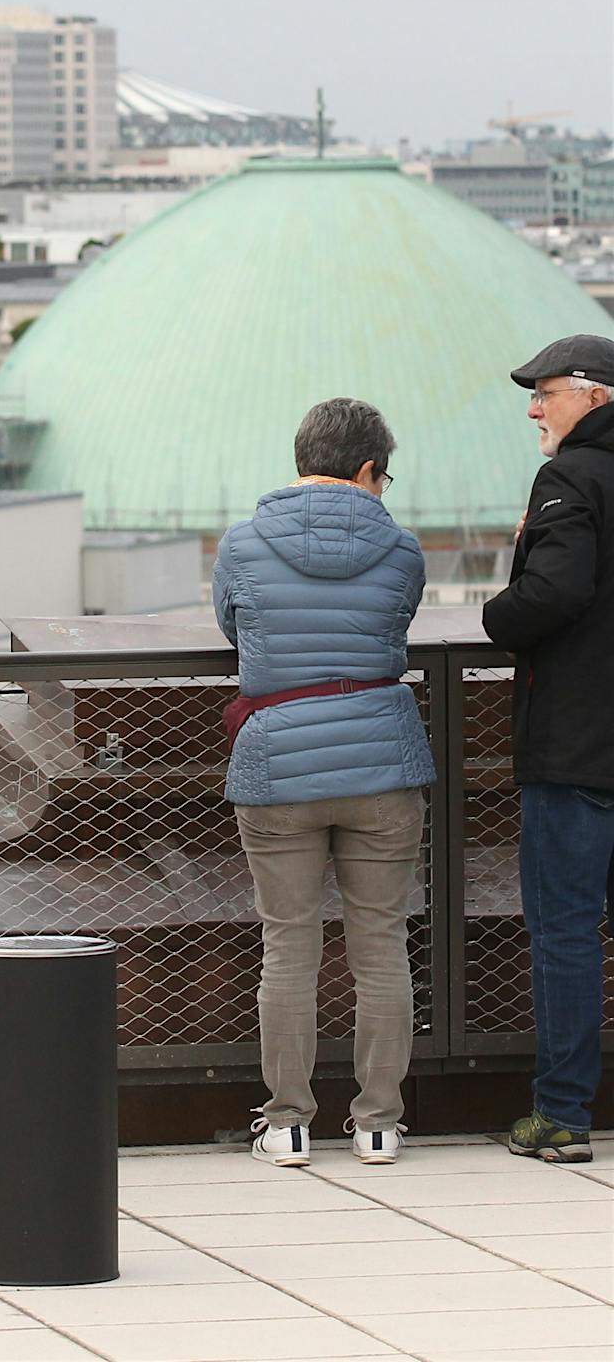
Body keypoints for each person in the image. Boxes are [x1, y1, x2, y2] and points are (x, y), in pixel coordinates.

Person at [213, 398, 432, 1168]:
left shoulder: (243, 545)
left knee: (289, 947)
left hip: (279, 766)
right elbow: (394, 631)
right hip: (381, 762)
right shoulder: (402, 549)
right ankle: (377, 1122)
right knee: (381, 945)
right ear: (369, 469)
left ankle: (288, 1121)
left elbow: (236, 632)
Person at [481, 334, 614, 1164]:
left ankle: (562, 1114)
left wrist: (500, 609)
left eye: (547, 392)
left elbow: (553, 593)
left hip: (578, 750)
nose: (534, 408)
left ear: (594, 398)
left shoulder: (571, 476)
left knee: (566, 930)